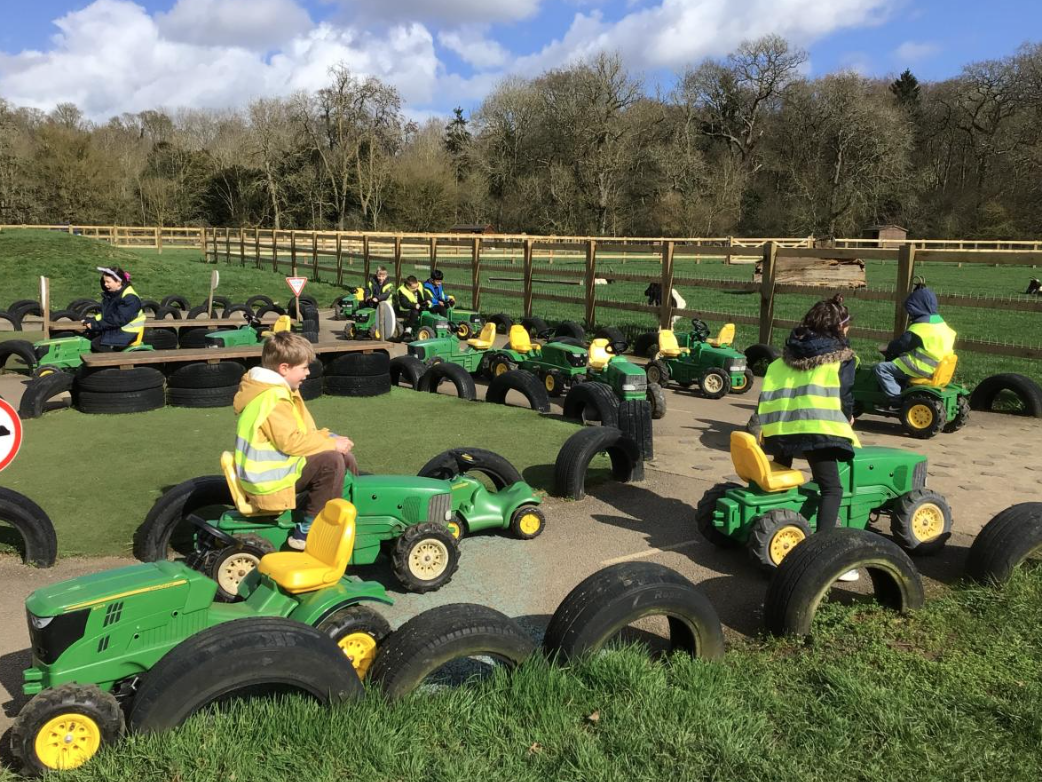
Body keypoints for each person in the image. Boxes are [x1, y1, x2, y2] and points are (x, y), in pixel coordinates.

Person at [757, 294, 861, 580]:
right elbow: (844, 396)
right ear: (840, 328)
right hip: (817, 428)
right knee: (832, 488)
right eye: (847, 326)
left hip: (779, 429)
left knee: (781, 480)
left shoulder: (785, 356)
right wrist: (848, 417)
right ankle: (825, 556)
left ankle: (776, 523)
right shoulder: (842, 359)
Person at [232, 331, 359, 551]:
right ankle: (309, 531)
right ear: (284, 368)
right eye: (304, 368)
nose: (308, 373)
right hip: (268, 481)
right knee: (331, 462)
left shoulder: (275, 389)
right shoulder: (273, 398)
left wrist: (329, 437)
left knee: (344, 456)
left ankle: (351, 510)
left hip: (274, 470)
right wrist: (331, 445)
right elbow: (291, 442)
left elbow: (302, 431)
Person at [873, 285, 956, 408]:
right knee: (902, 361)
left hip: (922, 368)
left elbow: (902, 344)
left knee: (881, 368)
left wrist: (890, 346)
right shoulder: (941, 324)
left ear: (917, 308)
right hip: (940, 368)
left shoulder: (920, 327)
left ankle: (895, 399)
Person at [84, 266, 146, 351]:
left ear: (118, 282)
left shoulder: (130, 298)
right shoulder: (114, 295)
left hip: (130, 332)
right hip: (119, 328)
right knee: (90, 335)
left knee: (97, 344)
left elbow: (118, 319)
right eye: (104, 281)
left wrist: (96, 325)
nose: (105, 284)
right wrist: (93, 320)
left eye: (108, 282)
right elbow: (107, 314)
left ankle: (114, 359)